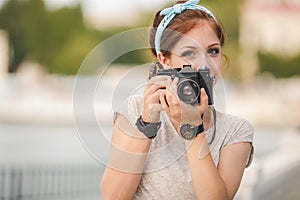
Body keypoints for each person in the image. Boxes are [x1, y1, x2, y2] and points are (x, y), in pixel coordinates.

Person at [101, 0, 254, 199]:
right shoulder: (136, 109)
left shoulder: (235, 130)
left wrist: (193, 128)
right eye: (189, 53)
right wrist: (147, 124)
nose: (204, 64)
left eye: (213, 51)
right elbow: (113, 196)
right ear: (165, 60)